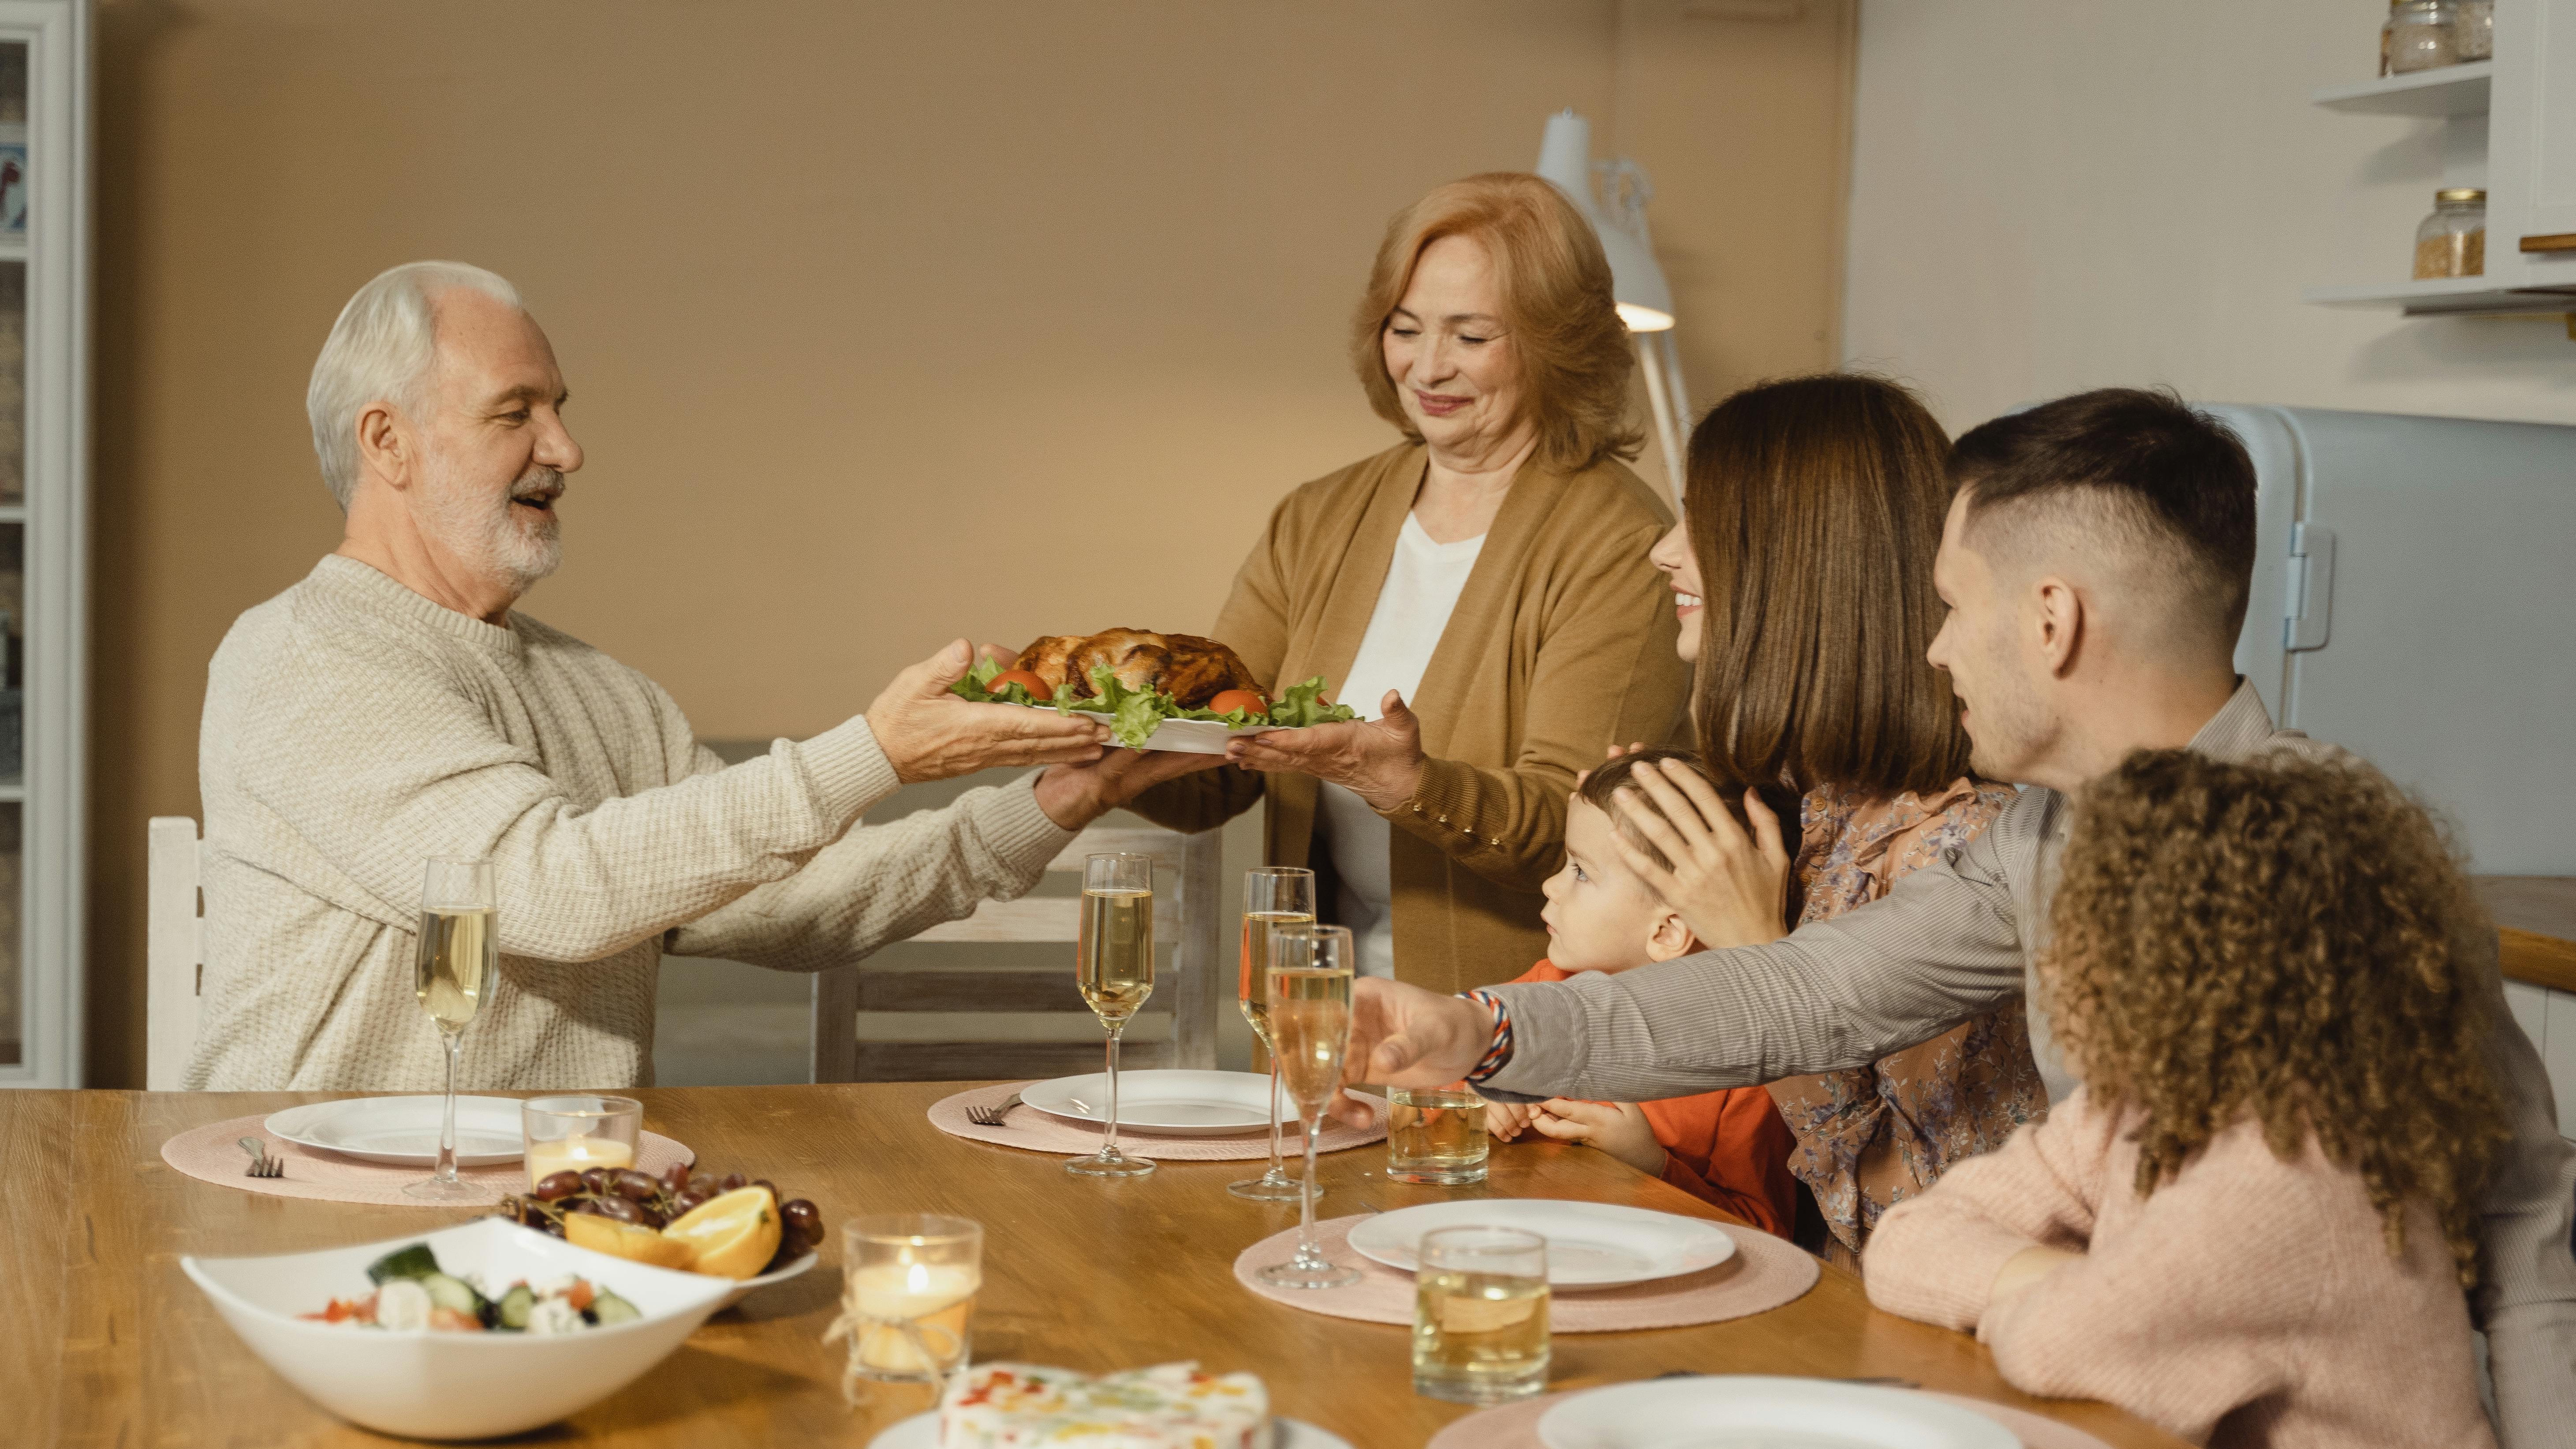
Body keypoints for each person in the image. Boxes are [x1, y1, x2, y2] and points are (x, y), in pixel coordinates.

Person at [1330, 388, 2576, 1445]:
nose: (1930, 649)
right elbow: (1805, 991)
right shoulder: (2041, 832)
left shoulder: (2328, 866)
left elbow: (2519, 1234)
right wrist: (1477, 1029)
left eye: (1951, 603)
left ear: (2049, 618)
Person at [188, 261, 1210, 1091]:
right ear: (388, 442)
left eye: (561, 408)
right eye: (517, 414)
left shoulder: (606, 694)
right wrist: (876, 753)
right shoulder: (305, 657)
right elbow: (538, 890)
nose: (568, 448)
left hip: (560, 1210)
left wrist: (1057, 801)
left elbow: (789, 899)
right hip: (320, 1204)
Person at [1127, 172, 1688, 994]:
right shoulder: (1318, 517)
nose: (1428, 367)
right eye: (1406, 328)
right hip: (1316, 1013)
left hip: (1514, 1034)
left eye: (1471, 337)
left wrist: (1412, 786)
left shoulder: (1620, 543)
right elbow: (1217, 760)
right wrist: (1102, 742)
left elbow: (1575, 826)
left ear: (1551, 342)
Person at [1865, 750, 2504, 1448]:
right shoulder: (2138, 1107)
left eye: (2080, 934)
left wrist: (2089, 1296)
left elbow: (2049, 1345)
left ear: (2181, 968)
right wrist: (2095, 1283)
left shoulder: (2286, 1175)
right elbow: (1904, 1241)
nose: (2047, 964)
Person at [1626, 373, 2044, 1264]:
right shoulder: (1805, 814)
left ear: (1795, 563)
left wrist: (1750, 950)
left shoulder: (1953, 850)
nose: (1664, 551)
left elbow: (1919, 1233)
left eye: (1699, 519)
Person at [1482, 749, 1797, 1238]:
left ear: (1668, 931)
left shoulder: (1749, 1068)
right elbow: (1437, 1075)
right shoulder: (1550, 984)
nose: (1549, 885)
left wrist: (1651, 1163)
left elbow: (1763, 1232)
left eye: (1581, 872)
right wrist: (1477, 1097)